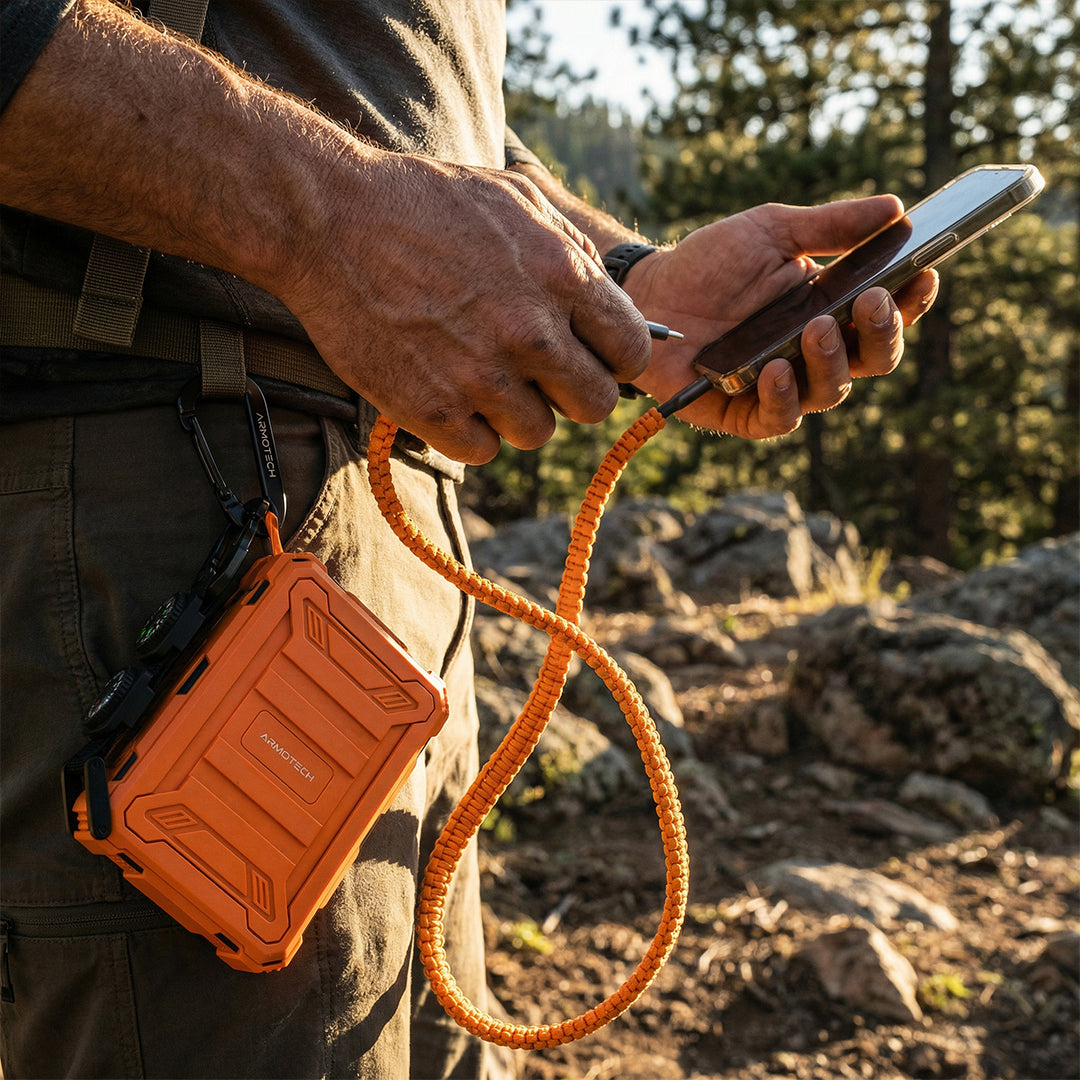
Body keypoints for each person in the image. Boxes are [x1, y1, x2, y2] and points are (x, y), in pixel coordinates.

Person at [0, 2, 938, 1077]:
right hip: (166, 472)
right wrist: (331, 214)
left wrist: (626, 283)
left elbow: (395, 101)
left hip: (378, 519)